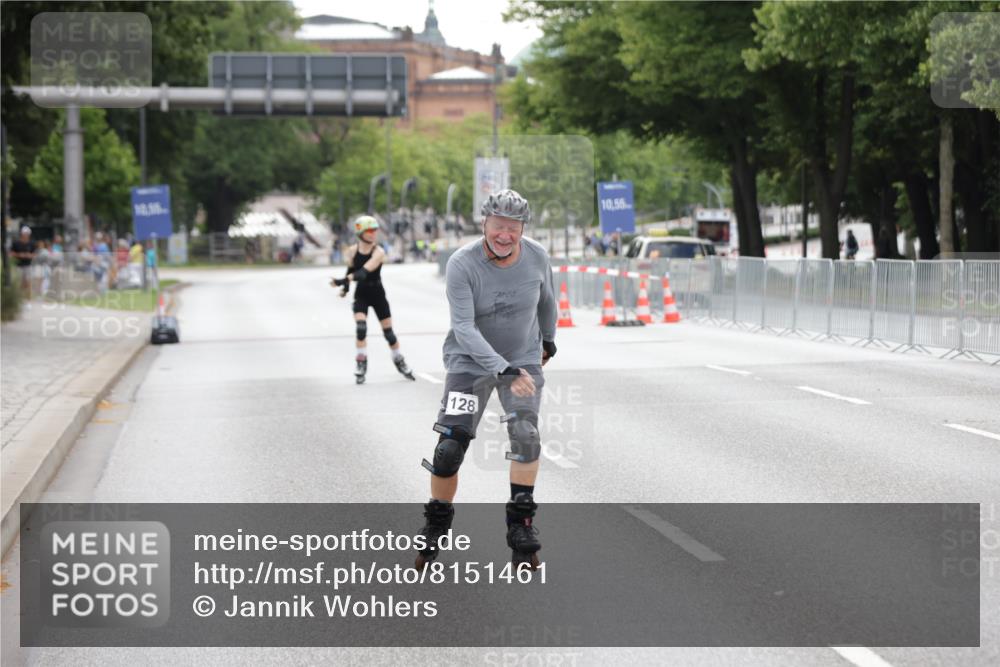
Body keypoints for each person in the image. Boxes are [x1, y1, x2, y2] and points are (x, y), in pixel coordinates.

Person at [416, 189, 557, 570]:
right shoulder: (463, 264)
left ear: (522, 228)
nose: (505, 235)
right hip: (469, 362)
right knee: (449, 448)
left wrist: (548, 339)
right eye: (499, 227)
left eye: (513, 228)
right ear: (485, 224)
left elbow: (548, 302)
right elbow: (462, 327)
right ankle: (436, 523)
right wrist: (501, 369)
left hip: (522, 360)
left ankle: (521, 526)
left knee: (526, 436)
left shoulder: (537, 257)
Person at [330, 215, 415, 384]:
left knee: (389, 334)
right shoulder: (352, 251)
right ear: (360, 232)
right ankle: (361, 362)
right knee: (361, 329)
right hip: (361, 294)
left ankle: (399, 360)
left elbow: (363, 273)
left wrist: (341, 281)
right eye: (370, 230)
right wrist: (345, 289)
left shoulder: (379, 252)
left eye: (375, 230)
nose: (373, 233)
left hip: (377, 294)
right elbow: (351, 270)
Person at [10, 226, 36, 300]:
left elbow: (34, 254)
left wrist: (29, 255)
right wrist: (19, 255)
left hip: (28, 265)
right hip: (18, 266)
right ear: (22, 234)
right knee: (19, 283)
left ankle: (28, 300)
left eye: (27, 233)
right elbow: (11, 253)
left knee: (28, 283)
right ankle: (19, 299)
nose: (26, 235)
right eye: (24, 233)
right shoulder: (16, 243)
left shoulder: (31, 243)